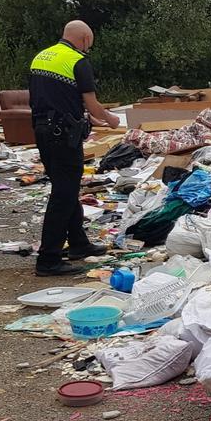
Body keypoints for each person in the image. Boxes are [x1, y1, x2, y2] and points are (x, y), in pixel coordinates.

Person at [29, 20, 121, 276]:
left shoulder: (42, 57)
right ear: (83, 40)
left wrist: (79, 113)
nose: (87, 50)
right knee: (64, 193)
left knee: (65, 187)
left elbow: (52, 95)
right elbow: (92, 104)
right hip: (63, 135)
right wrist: (110, 118)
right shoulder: (77, 61)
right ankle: (48, 259)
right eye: (88, 45)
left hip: (42, 131)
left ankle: (79, 243)